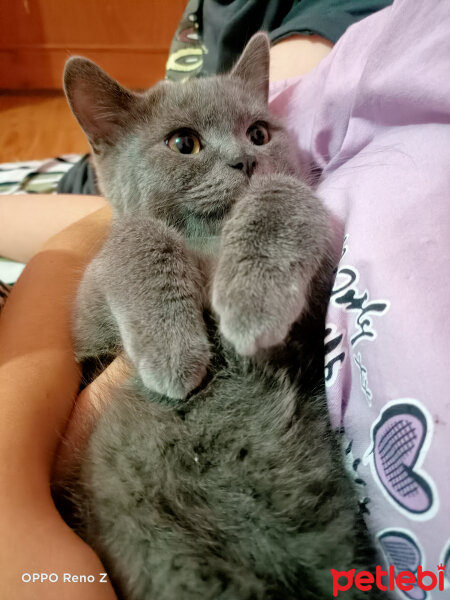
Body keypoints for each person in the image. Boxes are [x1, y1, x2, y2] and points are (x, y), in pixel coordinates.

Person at [3, 0, 449, 597]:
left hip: (314, 540)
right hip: (140, 534)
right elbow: (90, 328)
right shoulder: (127, 240)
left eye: (258, 132)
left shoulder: (292, 196)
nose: (241, 157)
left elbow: (313, 316)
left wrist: (281, 212)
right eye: (186, 143)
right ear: (106, 142)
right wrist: (143, 255)